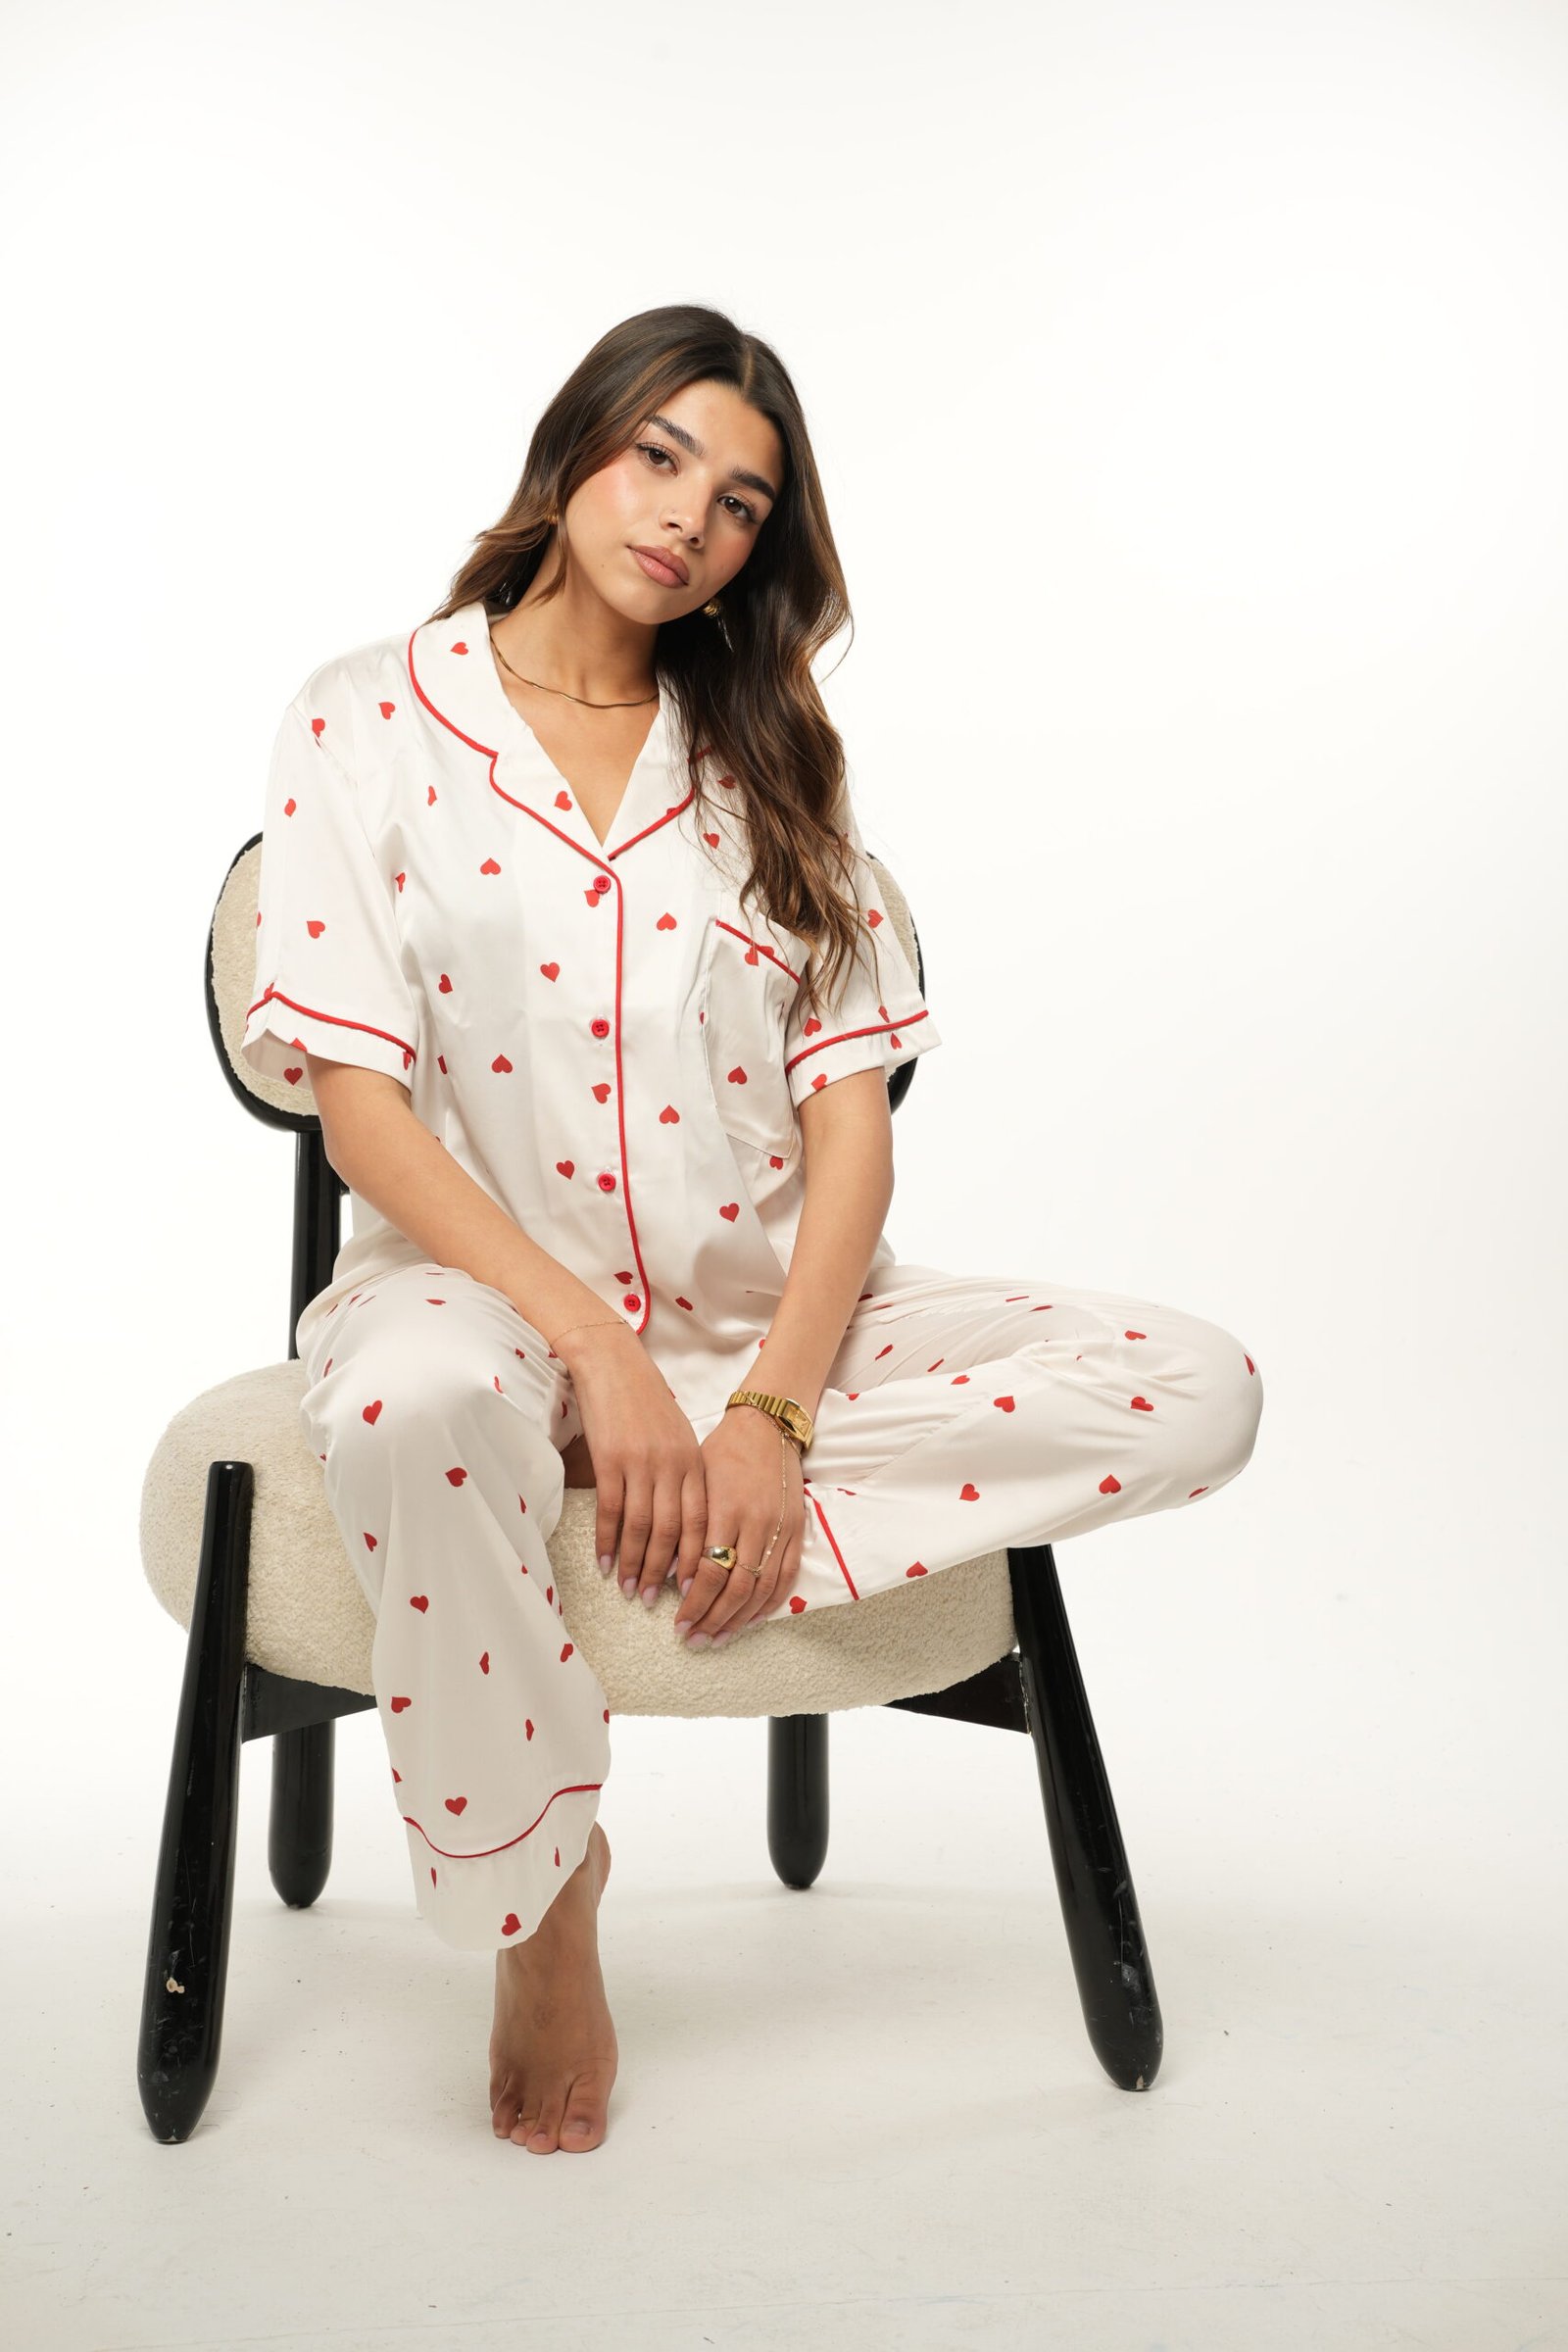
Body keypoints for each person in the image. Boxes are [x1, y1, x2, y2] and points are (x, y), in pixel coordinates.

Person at [241, 303, 1264, 2157]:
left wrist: (772, 1420)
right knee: (413, 1408)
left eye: (738, 503)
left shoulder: (771, 754)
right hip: (470, 1310)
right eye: (660, 458)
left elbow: (847, 1129)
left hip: (765, 1329)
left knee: (1196, 1385)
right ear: (577, 447)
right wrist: (592, 1347)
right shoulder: (363, 719)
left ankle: (703, 1530)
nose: (688, 519)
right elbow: (361, 1110)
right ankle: (543, 1896)